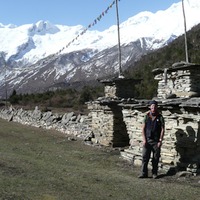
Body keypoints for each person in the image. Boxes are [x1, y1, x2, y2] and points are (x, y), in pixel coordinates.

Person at [138, 100, 165, 179]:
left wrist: (160, 140)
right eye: (152, 106)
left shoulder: (160, 117)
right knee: (145, 157)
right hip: (147, 140)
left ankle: (154, 173)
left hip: (156, 141)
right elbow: (143, 128)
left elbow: (163, 129)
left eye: (155, 106)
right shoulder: (146, 116)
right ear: (150, 107)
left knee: (155, 158)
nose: (153, 108)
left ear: (156, 107)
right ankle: (143, 173)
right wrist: (144, 140)